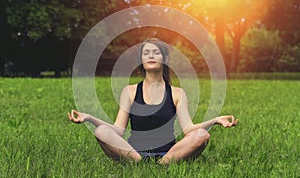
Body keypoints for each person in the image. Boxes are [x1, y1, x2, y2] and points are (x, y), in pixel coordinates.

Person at [68, 38, 238, 165]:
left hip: (168, 154)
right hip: (134, 153)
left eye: (156, 52)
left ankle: (162, 165)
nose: (151, 55)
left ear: (164, 58)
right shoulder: (130, 91)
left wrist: (215, 120)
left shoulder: (177, 93)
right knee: (101, 131)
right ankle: (139, 163)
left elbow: (189, 130)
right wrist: (89, 118)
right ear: (141, 59)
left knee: (202, 135)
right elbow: (117, 131)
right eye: (146, 53)